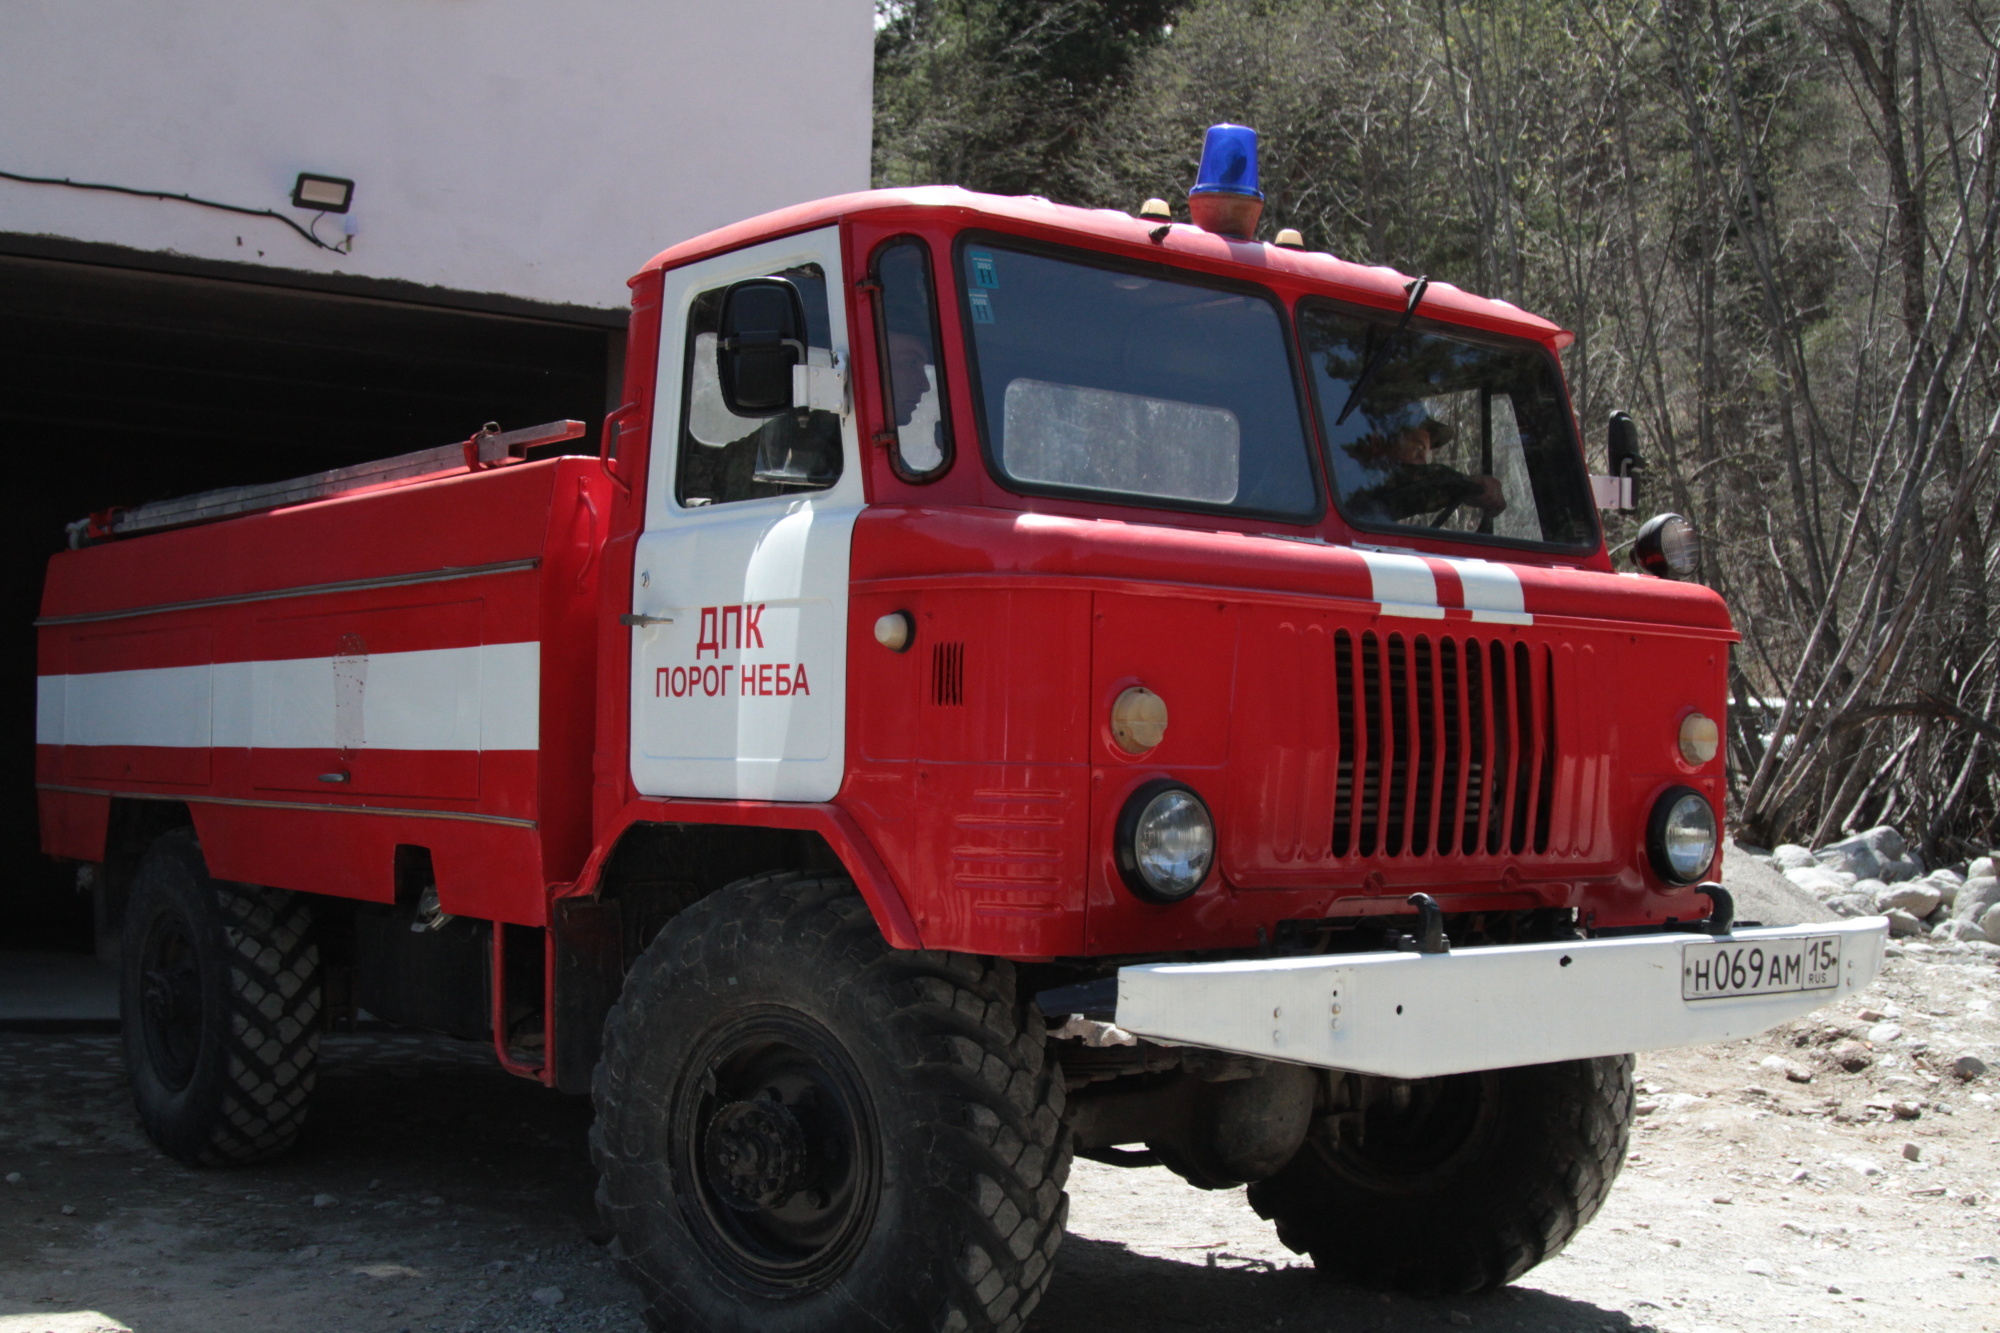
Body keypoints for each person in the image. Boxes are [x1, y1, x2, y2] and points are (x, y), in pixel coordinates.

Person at [1345, 416, 1506, 524]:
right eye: (1417, 449)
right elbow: (1413, 482)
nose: (1422, 462)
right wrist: (1467, 485)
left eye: (1425, 454)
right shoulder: (1350, 479)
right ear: (1377, 442)